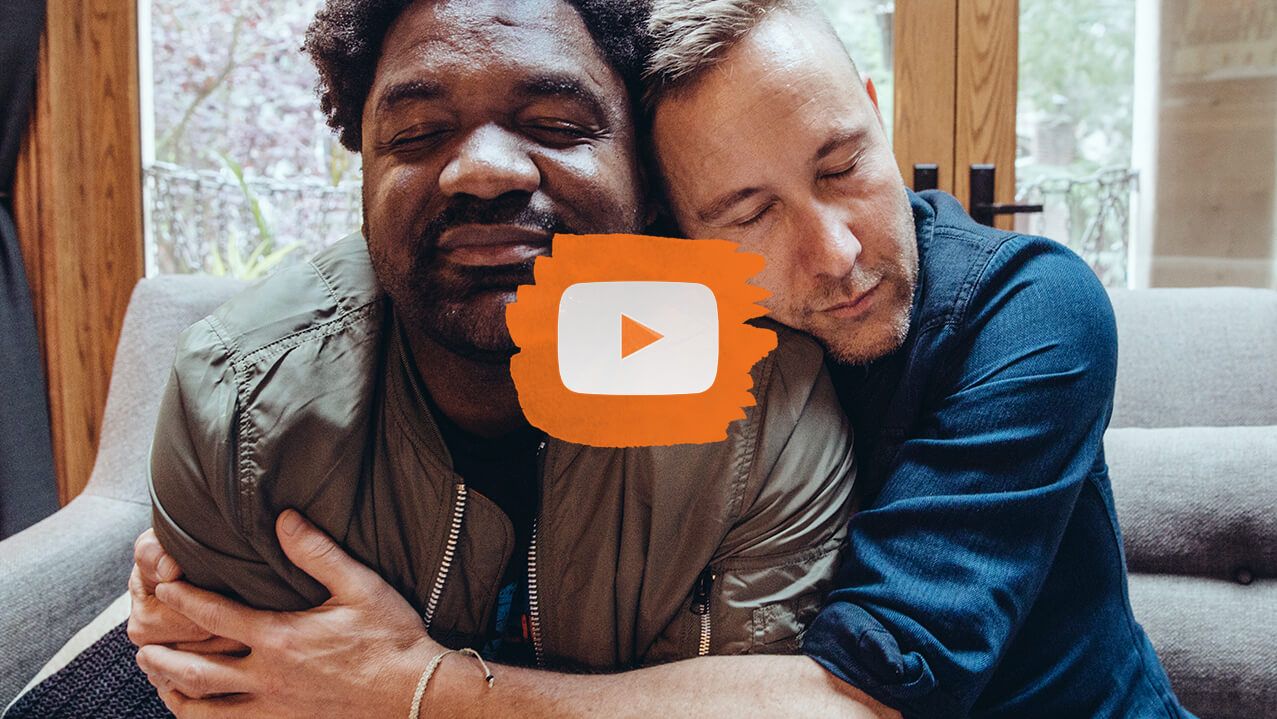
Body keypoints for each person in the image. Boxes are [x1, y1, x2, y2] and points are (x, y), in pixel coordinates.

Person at [125, 0, 1193, 717]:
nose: (834, 252)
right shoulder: (652, 321)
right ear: (671, 229)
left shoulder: (1032, 309)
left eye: (840, 165)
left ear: (875, 116)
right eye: (747, 212)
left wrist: (415, 685)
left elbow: (864, 700)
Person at [5, 0, 870, 717]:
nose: (484, 171)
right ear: (361, 175)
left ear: (646, 179)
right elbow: (228, 698)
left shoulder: (766, 396)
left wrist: (404, 688)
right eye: (418, 133)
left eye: (555, 124)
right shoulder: (237, 406)